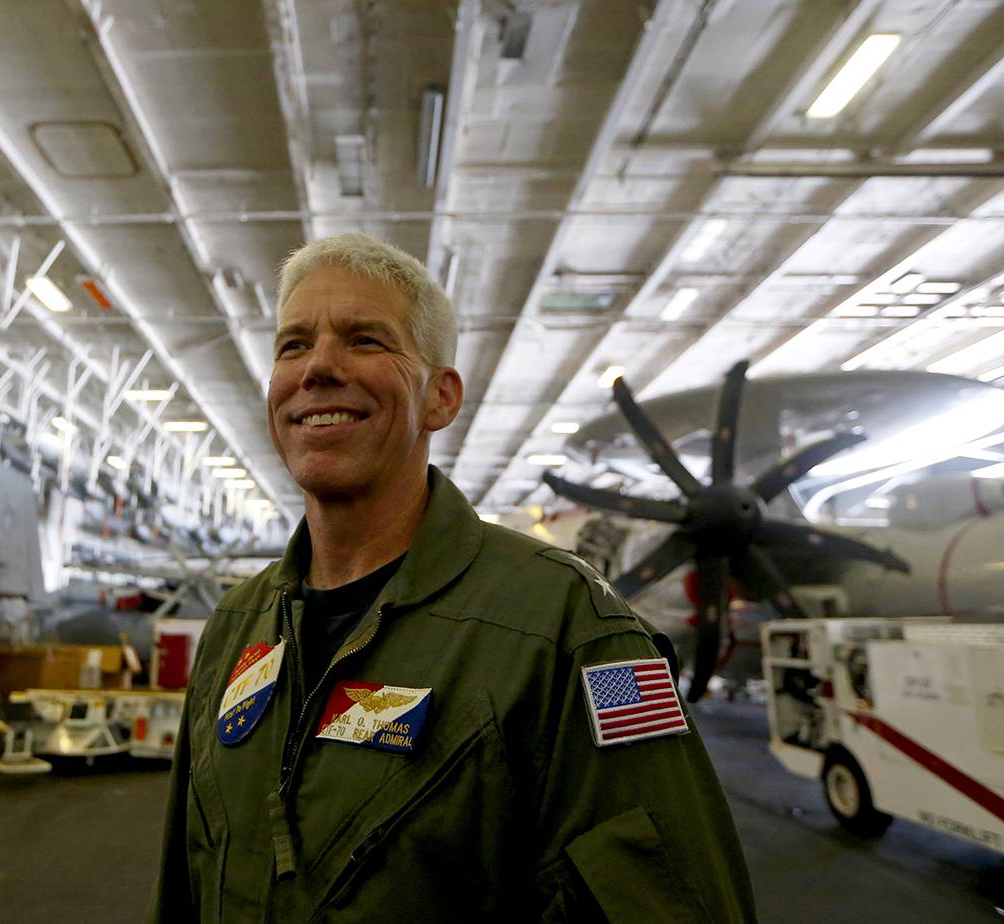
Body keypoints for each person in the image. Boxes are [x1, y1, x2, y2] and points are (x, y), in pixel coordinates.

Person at [150, 233, 756, 921]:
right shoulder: (236, 624)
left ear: (441, 398)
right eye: (293, 345)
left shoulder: (572, 634)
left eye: (365, 340)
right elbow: (182, 885)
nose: (318, 365)